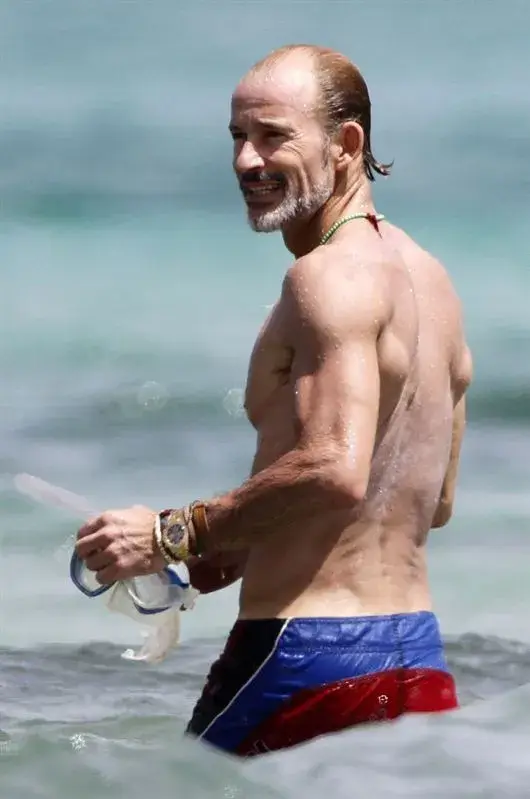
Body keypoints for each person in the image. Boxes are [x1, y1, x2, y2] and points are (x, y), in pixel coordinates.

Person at [75, 44, 473, 757]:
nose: (245, 161)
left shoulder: (324, 278)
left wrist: (171, 534)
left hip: (303, 659)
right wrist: (218, 557)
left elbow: (334, 471)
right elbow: (430, 500)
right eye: (237, 136)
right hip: (416, 659)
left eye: (273, 136)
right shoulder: (434, 284)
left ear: (345, 143)